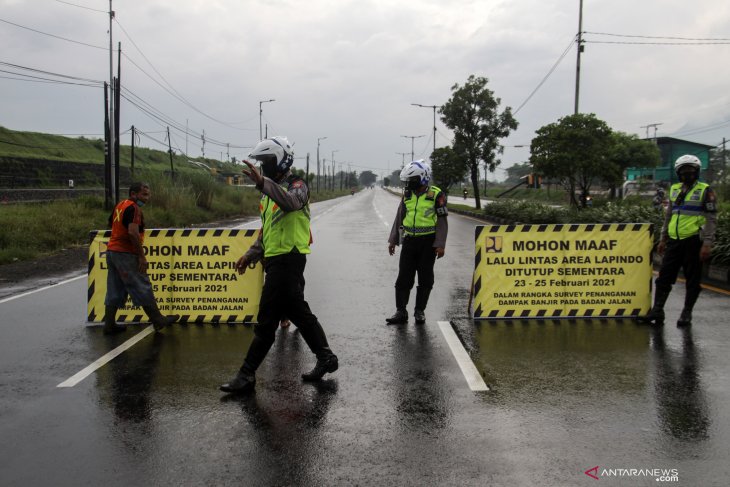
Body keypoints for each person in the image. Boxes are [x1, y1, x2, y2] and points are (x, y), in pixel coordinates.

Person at [220, 136, 338, 394]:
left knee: (266, 321)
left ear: (280, 160)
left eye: (266, 162)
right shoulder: (268, 193)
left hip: (289, 259)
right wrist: (249, 255)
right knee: (298, 313)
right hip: (275, 260)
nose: (262, 168)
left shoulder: (298, 186)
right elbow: (267, 231)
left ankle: (247, 375)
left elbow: (291, 203)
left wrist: (263, 184)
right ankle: (326, 357)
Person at [639, 155, 718, 327]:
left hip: (694, 241)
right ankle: (658, 311)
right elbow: (669, 216)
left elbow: (712, 219)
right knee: (663, 277)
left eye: (690, 170)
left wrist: (707, 244)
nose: (687, 173)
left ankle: (686, 312)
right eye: (683, 170)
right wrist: (662, 239)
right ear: (678, 172)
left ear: (697, 171)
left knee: (692, 279)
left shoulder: (706, 190)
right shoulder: (674, 189)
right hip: (674, 241)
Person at [103, 182, 180, 335]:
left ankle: (109, 324)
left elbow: (111, 223)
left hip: (112, 252)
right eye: (144, 195)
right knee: (142, 284)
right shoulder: (134, 208)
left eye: (148, 195)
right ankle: (157, 319)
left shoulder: (121, 205)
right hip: (126, 253)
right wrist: (141, 256)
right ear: (133, 194)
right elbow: (132, 232)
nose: (147, 198)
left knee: (115, 288)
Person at [386, 160, 448, 325]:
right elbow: (400, 218)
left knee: (426, 278)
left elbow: (442, 221)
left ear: (422, 178)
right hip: (409, 242)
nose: (407, 184)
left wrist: (440, 244)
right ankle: (401, 311)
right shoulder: (407, 195)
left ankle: (419, 311)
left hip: (428, 243)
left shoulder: (437, 195)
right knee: (404, 277)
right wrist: (394, 240)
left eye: (410, 180)